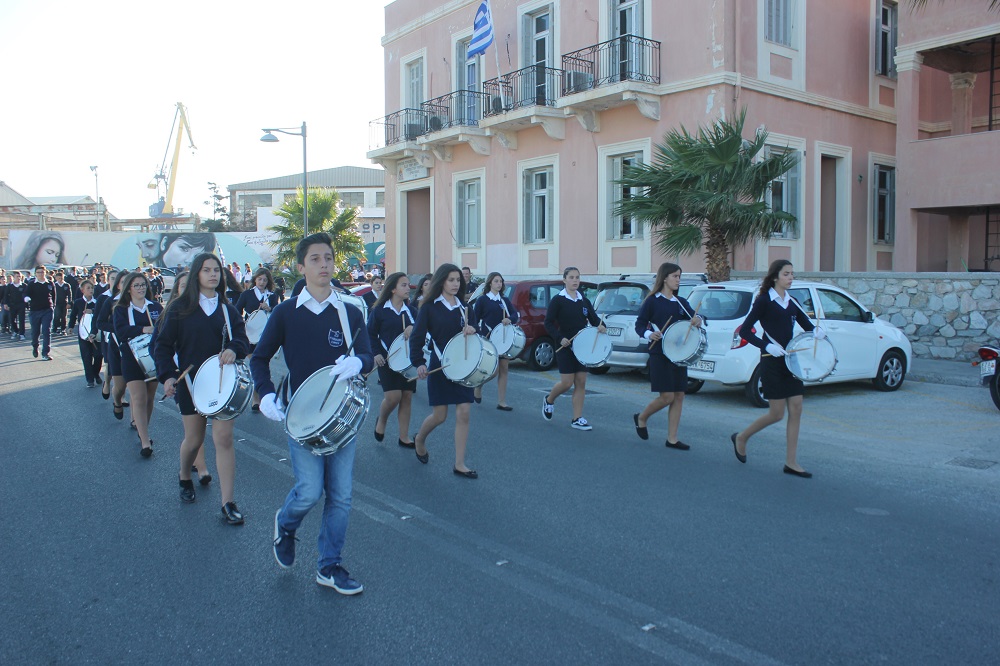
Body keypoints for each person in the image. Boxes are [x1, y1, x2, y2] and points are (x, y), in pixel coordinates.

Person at [252, 232, 374, 593]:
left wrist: (359, 362)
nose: (324, 265)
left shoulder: (350, 311)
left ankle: (329, 566)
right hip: (301, 417)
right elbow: (259, 358)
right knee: (308, 491)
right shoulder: (285, 313)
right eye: (316, 259)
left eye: (329, 258)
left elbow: (367, 356)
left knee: (341, 496)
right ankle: (286, 524)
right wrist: (266, 394)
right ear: (301, 267)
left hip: (342, 417)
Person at [155, 253, 250, 524]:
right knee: (194, 440)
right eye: (207, 270)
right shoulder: (180, 308)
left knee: (224, 439)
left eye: (216, 270)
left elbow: (242, 339)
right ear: (197, 273)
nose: (213, 275)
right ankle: (185, 475)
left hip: (223, 386)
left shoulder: (227, 309)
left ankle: (228, 502)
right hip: (191, 383)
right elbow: (163, 346)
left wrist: (234, 349)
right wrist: (167, 376)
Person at [731, 259, 824, 479]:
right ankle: (742, 437)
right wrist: (766, 346)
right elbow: (745, 331)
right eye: (786, 274)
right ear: (775, 277)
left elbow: (807, 325)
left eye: (792, 274)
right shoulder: (764, 301)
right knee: (776, 414)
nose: (791, 278)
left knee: (797, 407)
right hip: (771, 360)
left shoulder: (792, 302)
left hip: (791, 360)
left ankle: (791, 462)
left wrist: (816, 332)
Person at [409, 263, 480, 478]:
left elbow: (476, 331)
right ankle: (420, 439)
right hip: (439, 366)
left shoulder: (465, 307)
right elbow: (417, 337)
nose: (455, 284)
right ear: (441, 281)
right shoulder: (429, 307)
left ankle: (460, 463)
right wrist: (419, 363)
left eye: (458, 280)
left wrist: (472, 329)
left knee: (464, 412)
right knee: (440, 416)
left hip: (463, 367)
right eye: (451, 280)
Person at [633, 263, 703, 450]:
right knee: (667, 396)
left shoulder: (680, 302)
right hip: (659, 353)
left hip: (679, 355)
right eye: (675, 276)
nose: (678, 280)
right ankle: (642, 417)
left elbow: (697, 317)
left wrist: (698, 320)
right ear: (664, 278)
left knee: (679, 396)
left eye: (679, 276)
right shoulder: (652, 301)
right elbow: (639, 325)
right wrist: (649, 334)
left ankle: (672, 439)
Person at [542, 267, 605, 431]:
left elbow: (594, 319)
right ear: (564, 280)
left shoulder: (584, 301)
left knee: (581, 381)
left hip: (582, 347)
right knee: (566, 383)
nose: (575, 280)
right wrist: (559, 338)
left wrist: (601, 326)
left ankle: (577, 418)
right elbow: (548, 323)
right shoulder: (558, 300)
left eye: (577, 277)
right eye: (571, 277)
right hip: (564, 345)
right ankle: (549, 399)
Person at [114, 272, 164, 457]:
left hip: (153, 357)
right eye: (136, 285)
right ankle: (145, 441)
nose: (141, 288)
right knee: (138, 397)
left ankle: (144, 430)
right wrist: (143, 329)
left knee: (150, 397)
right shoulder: (121, 309)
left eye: (143, 284)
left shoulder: (155, 307)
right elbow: (120, 331)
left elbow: (166, 328)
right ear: (128, 289)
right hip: (131, 357)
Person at [367, 272, 416, 448]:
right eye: (404, 285)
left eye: (408, 284)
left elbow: (422, 332)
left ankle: (404, 437)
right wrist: (376, 353)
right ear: (393, 289)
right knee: (393, 397)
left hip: (408, 361)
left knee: (407, 396)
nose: (408, 288)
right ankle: (382, 419)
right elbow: (370, 333)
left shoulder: (411, 311)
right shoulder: (379, 311)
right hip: (386, 359)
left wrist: (413, 327)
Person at [472, 271, 519, 410]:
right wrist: (480, 334)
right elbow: (475, 320)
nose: (499, 284)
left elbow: (515, 314)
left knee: (504, 369)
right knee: (493, 371)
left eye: (501, 281)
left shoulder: (504, 300)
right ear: (490, 283)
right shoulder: (482, 300)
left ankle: (502, 401)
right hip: (488, 339)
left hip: (503, 340)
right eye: (496, 281)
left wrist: (510, 319)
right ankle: (478, 385)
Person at [234, 267, 279, 411]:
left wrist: (270, 308)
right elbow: (236, 311)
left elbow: (278, 313)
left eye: (265, 280)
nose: (262, 282)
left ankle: (260, 397)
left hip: (266, 334)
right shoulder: (247, 294)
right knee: (255, 363)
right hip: (250, 335)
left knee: (261, 365)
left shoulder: (272, 296)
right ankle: (257, 398)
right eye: (260, 279)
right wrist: (242, 325)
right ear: (255, 280)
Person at [96, 271, 129, 415]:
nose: (126, 285)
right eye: (122, 282)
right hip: (115, 343)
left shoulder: (139, 301)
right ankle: (116, 398)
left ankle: (134, 421)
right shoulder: (109, 301)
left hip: (133, 347)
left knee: (134, 384)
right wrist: (118, 329)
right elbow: (100, 322)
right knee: (119, 384)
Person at [70, 280, 104, 388]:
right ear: (82, 290)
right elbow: (73, 315)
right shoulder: (78, 302)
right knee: (86, 357)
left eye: (92, 288)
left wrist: (92, 310)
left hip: (96, 333)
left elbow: (101, 313)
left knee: (98, 355)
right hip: (83, 334)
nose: (91, 290)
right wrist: (70, 326)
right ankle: (90, 379)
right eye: (88, 288)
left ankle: (95, 373)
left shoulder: (97, 302)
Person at [23, 266, 55, 360]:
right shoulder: (32, 284)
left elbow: (54, 296)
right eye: (38, 272)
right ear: (35, 274)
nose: (40, 274)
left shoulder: (50, 283)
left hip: (47, 310)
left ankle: (45, 353)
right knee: (35, 332)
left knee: (46, 331)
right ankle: (35, 346)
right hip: (35, 311)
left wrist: (53, 306)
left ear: (45, 272)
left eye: (42, 272)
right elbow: (26, 293)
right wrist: (26, 298)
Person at [4, 271, 27, 341]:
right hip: (12, 305)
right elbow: (6, 295)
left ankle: (22, 334)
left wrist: (27, 304)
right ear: (14, 277)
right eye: (17, 276)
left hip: (21, 305)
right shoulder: (10, 286)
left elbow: (27, 294)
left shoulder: (24, 285)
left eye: (19, 276)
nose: (18, 278)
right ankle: (16, 331)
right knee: (12, 319)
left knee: (21, 320)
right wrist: (6, 304)